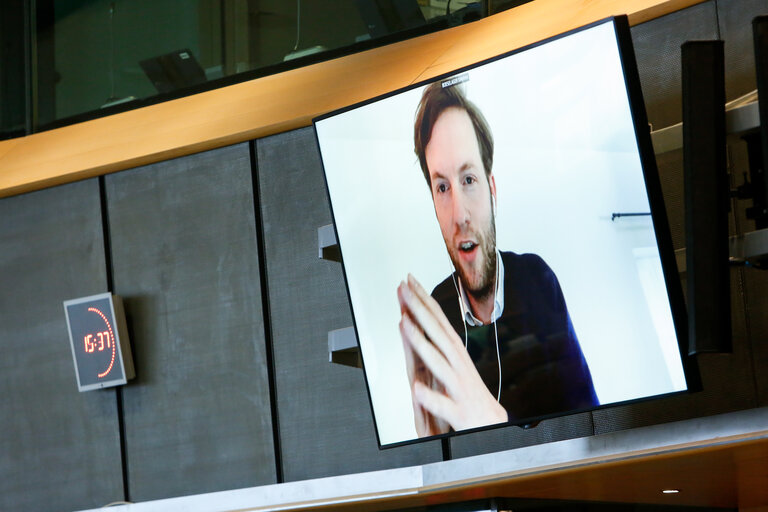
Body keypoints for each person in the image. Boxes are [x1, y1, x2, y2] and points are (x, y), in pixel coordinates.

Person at [397, 79, 598, 438]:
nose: (459, 214)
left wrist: (495, 422)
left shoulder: (537, 280)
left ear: (492, 190)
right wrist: (430, 447)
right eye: (442, 187)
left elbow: (590, 423)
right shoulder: (435, 315)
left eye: (469, 179)